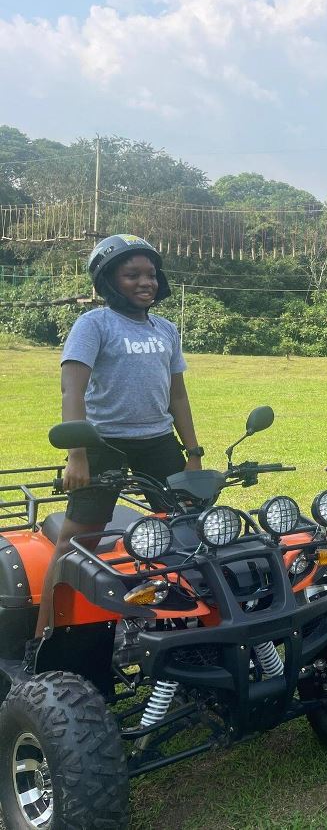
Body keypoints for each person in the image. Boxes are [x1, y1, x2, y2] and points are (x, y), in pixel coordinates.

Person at [27, 234, 203, 672]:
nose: (145, 282)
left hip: (158, 440)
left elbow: (177, 396)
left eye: (150, 274)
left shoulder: (165, 329)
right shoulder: (94, 324)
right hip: (102, 442)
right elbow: (73, 388)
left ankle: (189, 627)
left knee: (188, 530)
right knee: (77, 539)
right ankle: (42, 638)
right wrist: (77, 454)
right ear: (109, 280)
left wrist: (193, 452)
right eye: (132, 275)